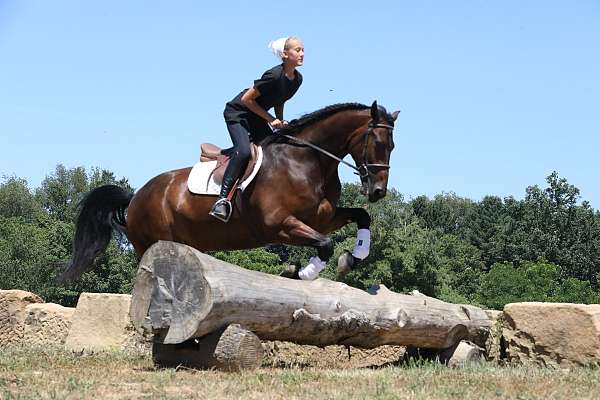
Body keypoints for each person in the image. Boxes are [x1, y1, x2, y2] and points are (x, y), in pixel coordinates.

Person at [209, 36, 304, 222]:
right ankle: (222, 200)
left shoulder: (297, 80)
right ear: (285, 55)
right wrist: (271, 119)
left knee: (276, 150)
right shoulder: (273, 75)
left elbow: (280, 99)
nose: (302, 54)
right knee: (244, 151)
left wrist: (279, 122)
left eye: (303, 50)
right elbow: (246, 100)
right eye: (297, 50)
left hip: (256, 117)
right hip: (238, 114)